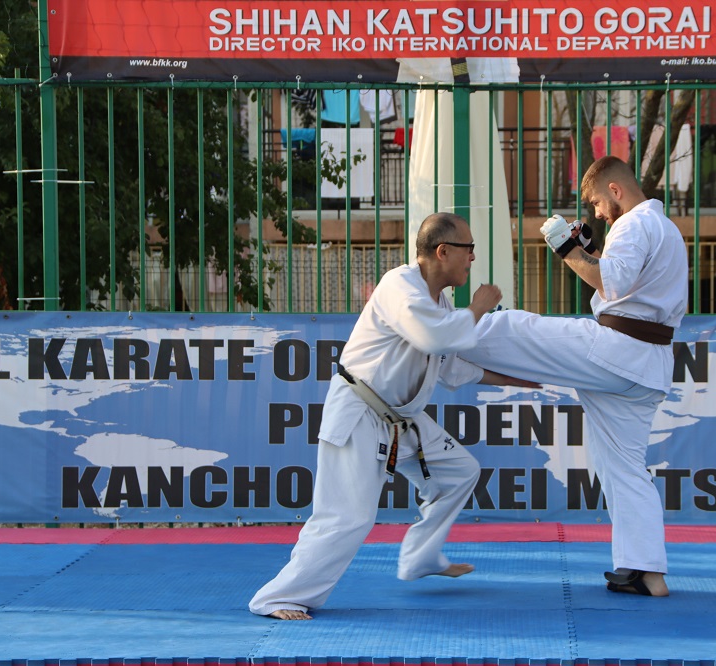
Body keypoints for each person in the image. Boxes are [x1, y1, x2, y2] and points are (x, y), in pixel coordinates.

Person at [249, 212, 540, 620]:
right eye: (469, 249)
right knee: (347, 515)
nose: (473, 258)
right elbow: (433, 337)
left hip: (401, 419)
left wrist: (512, 379)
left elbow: (449, 365)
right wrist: (478, 307)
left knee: (459, 471)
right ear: (443, 251)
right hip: (360, 412)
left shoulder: (439, 301)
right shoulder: (399, 286)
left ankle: (420, 556)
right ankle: (279, 597)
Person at [458, 155, 688, 597]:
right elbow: (627, 282)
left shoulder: (634, 224)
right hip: (649, 365)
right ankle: (647, 572)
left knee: (515, 327)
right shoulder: (665, 229)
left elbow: (612, 284)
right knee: (624, 468)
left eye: (598, 202)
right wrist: (588, 251)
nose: (598, 213)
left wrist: (566, 249)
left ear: (616, 190)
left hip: (618, 349)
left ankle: (437, 335)